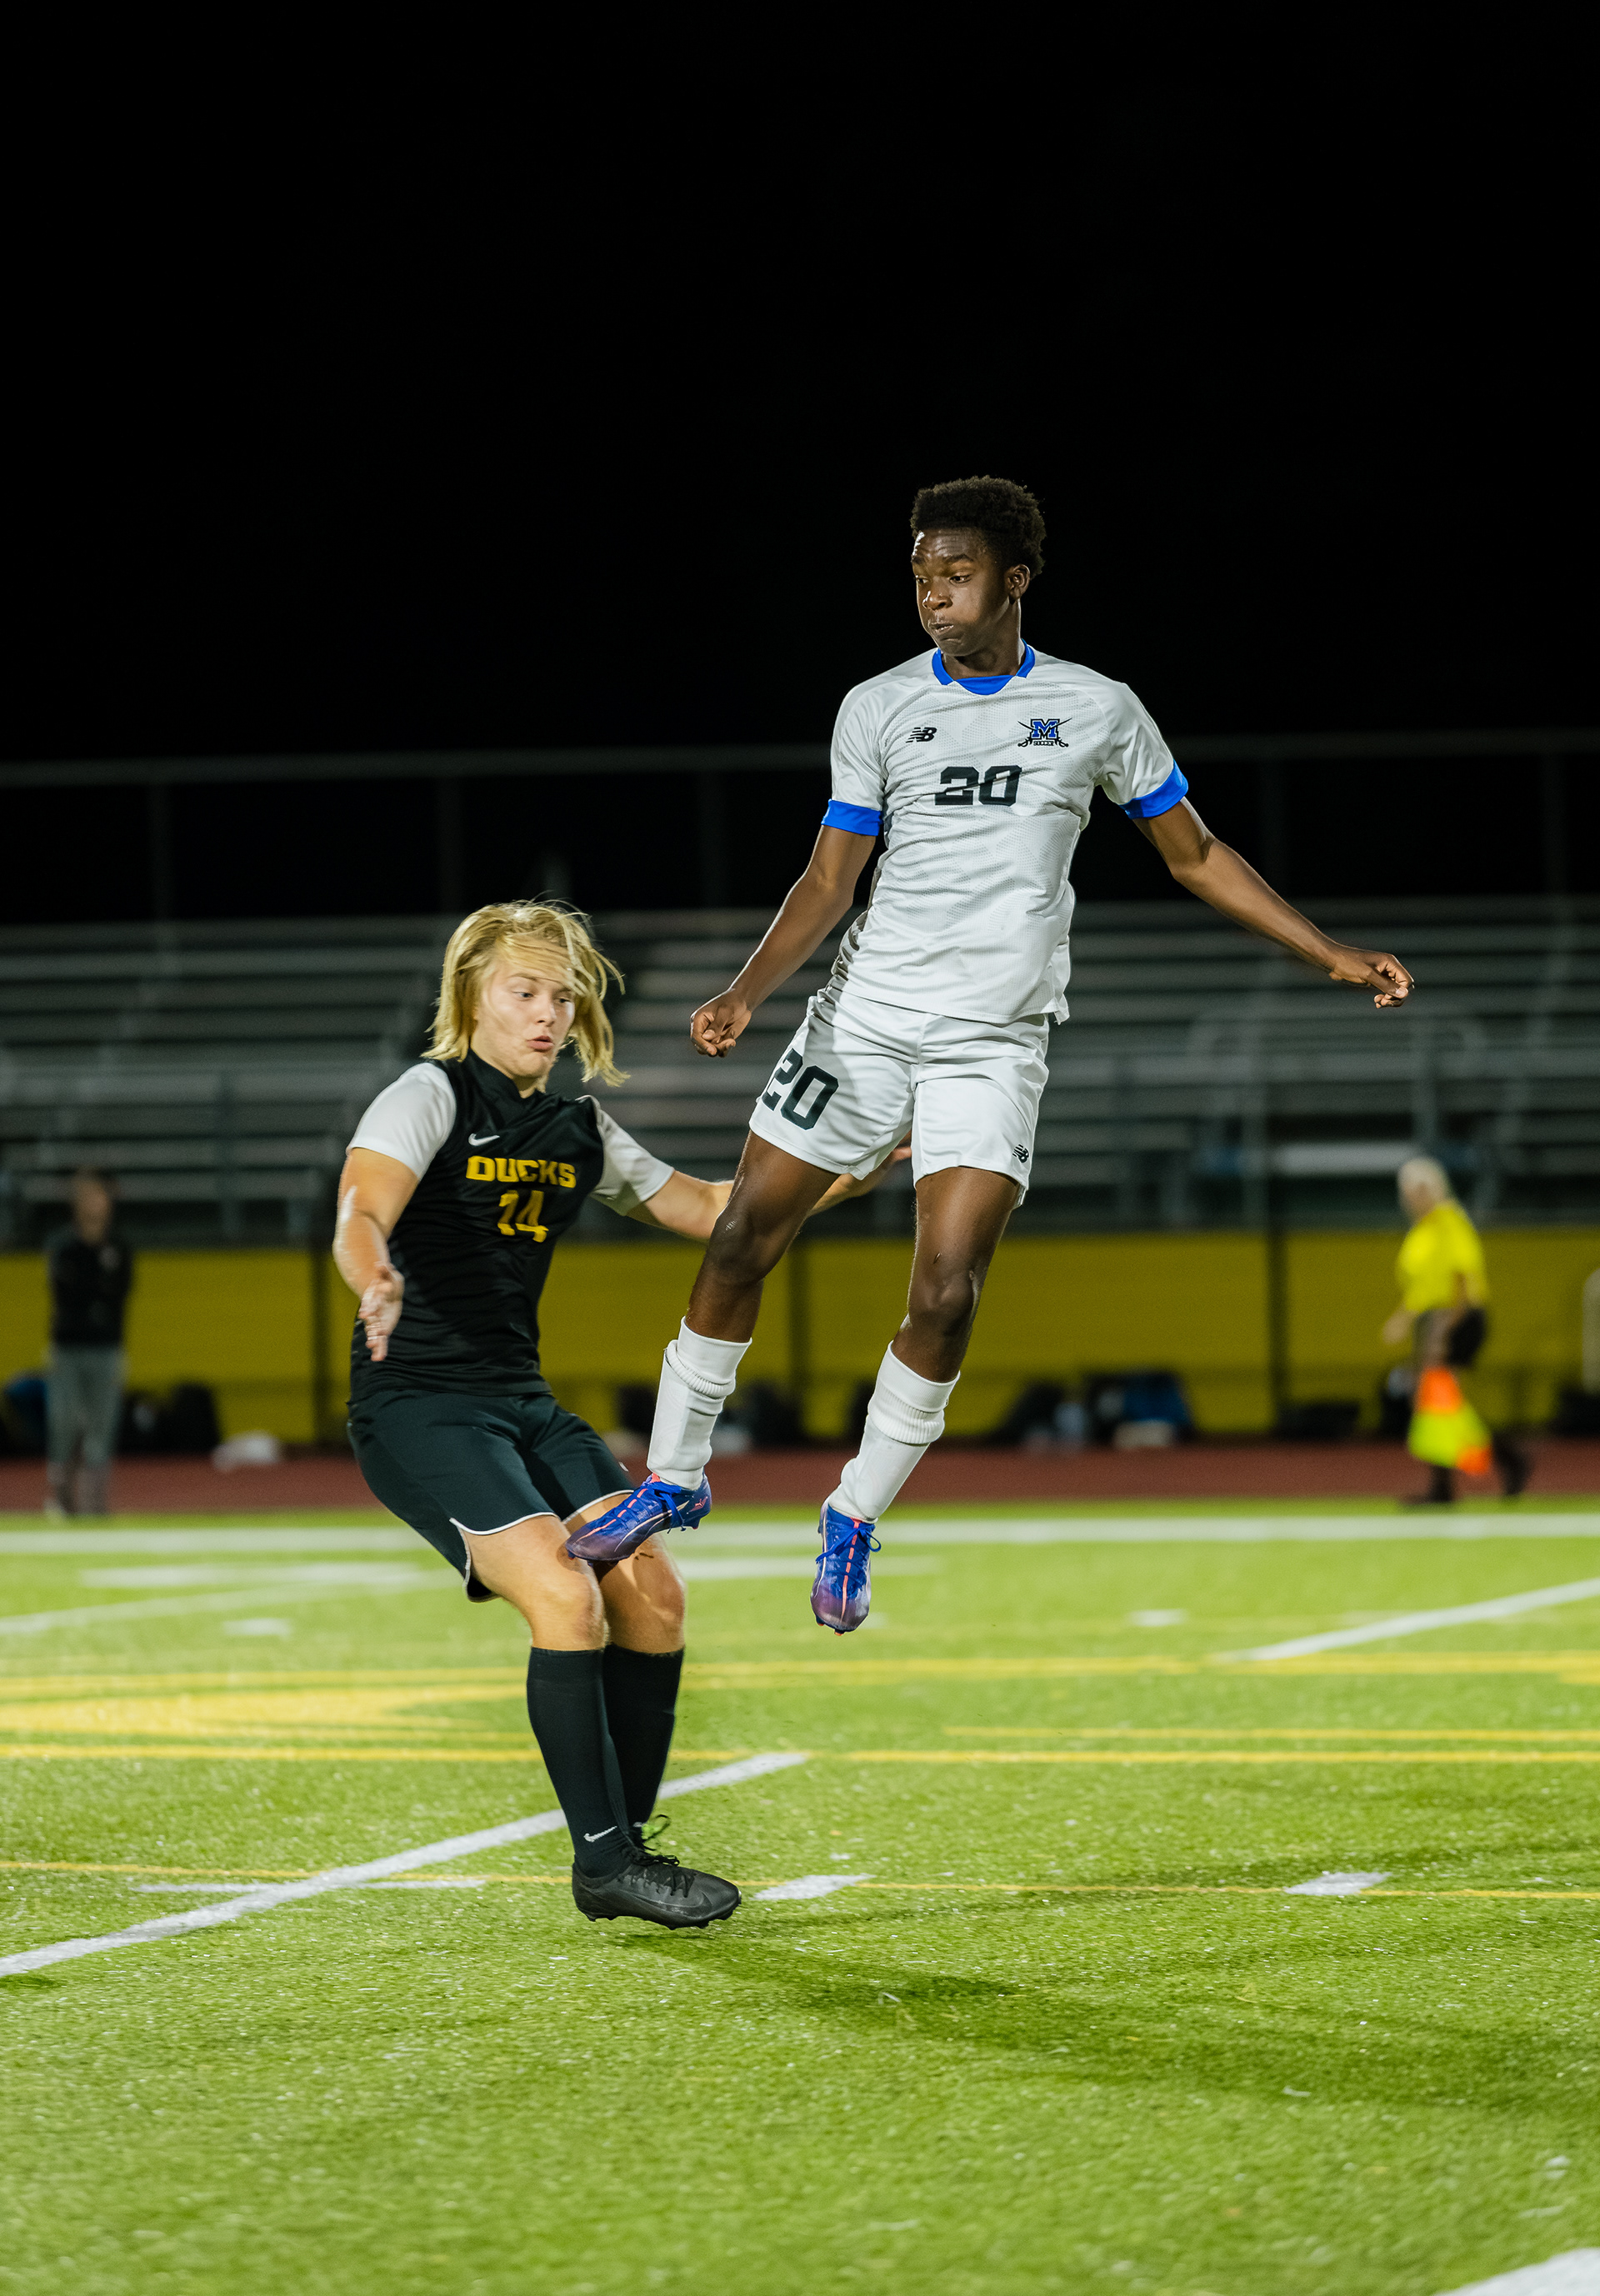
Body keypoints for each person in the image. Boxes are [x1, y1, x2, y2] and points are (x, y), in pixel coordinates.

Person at [569, 474, 1418, 1630]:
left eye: (957, 574)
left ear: (1014, 579)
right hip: (863, 1023)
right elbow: (829, 878)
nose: (935, 596)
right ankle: (674, 1477)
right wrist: (745, 992)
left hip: (993, 1046)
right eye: (922, 576)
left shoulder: (1097, 708)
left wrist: (1327, 951)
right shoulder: (878, 706)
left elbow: (1195, 853)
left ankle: (854, 1513)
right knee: (740, 1236)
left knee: (947, 1288)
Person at [334, 899, 892, 1928]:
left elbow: (713, 1210)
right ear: (472, 997)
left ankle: (624, 1853)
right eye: (524, 992)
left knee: (653, 1597)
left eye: (563, 997)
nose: (547, 1014)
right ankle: (605, 1864)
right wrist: (374, 1276)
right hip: (418, 1408)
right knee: (565, 1593)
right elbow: (361, 1207)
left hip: (522, 1403)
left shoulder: (577, 1126)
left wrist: (850, 1177)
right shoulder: (429, 1093)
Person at [1382, 1154, 1528, 1504]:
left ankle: (1490, 1467)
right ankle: (1497, 1465)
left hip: (1456, 1319)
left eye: (1421, 1189)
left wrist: (1443, 1331)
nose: (1413, 1198)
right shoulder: (1423, 1229)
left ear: (1437, 1188)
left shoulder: (1448, 1222)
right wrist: (1404, 1318)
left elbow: (1461, 1278)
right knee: (1439, 1403)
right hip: (1436, 1319)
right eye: (1409, 1191)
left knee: (1440, 1401)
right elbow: (1424, 1287)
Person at [44, 1169, 132, 1518]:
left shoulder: (119, 1247)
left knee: (102, 1422)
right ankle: (62, 1496)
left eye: (100, 1196)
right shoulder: (63, 1246)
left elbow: (119, 1294)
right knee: (64, 1420)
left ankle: (95, 1500)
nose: (95, 1204)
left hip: (107, 1346)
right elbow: (67, 1294)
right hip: (68, 1347)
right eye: (87, 1196)